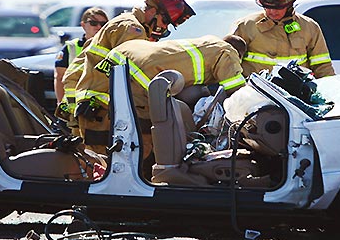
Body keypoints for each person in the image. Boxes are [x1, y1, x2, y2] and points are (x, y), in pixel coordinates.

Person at [94, 34, 247, 176]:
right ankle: (142, 179)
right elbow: (238, 91)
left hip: (126, 58)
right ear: (239, 55)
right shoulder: (228, 51)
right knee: (145, 138)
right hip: (149, 77)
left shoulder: (208, 42)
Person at [66, 0, 195, 154]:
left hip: (103, 108)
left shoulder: (129, 24)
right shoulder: (132, 29)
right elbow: (136, 71)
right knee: (110, 164)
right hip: (103, 110)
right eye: (164, 21)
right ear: (153, 11)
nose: (164, 27)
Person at [232, 0, 335, 78]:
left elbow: (322, 66)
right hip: (255, 92)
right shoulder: (246, 26)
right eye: (267, 7)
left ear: (290, 4)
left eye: (277, 8)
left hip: (296, 92)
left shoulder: (309, 27)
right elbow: (230, 64)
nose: (272, 12)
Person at [54, 7, 108, 135]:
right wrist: (61, 103)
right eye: (94, 23)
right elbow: (59, 77)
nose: (99, 27)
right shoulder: (71, 48)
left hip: (98, 109)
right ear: (83, 25)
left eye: (103, 24)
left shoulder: (112, 48)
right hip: (73, 109)